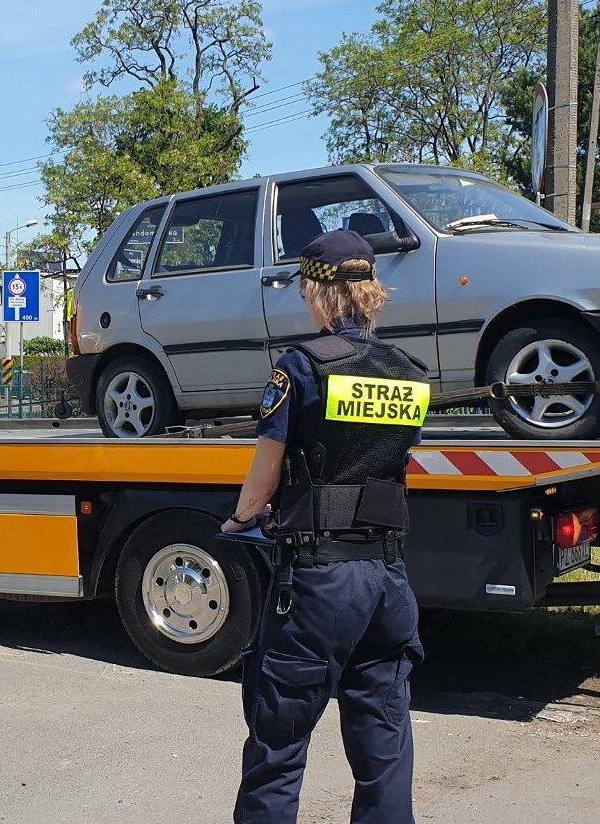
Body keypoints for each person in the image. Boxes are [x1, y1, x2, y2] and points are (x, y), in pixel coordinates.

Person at [221, 230, 429, 823]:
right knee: (384, 744)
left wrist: (239, 521)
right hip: (388, 578)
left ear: (318, 290)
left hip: (320, 582)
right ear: (370, 291)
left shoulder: (300, 367)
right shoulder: (407, 371)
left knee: (278, 743)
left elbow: (263, 480)